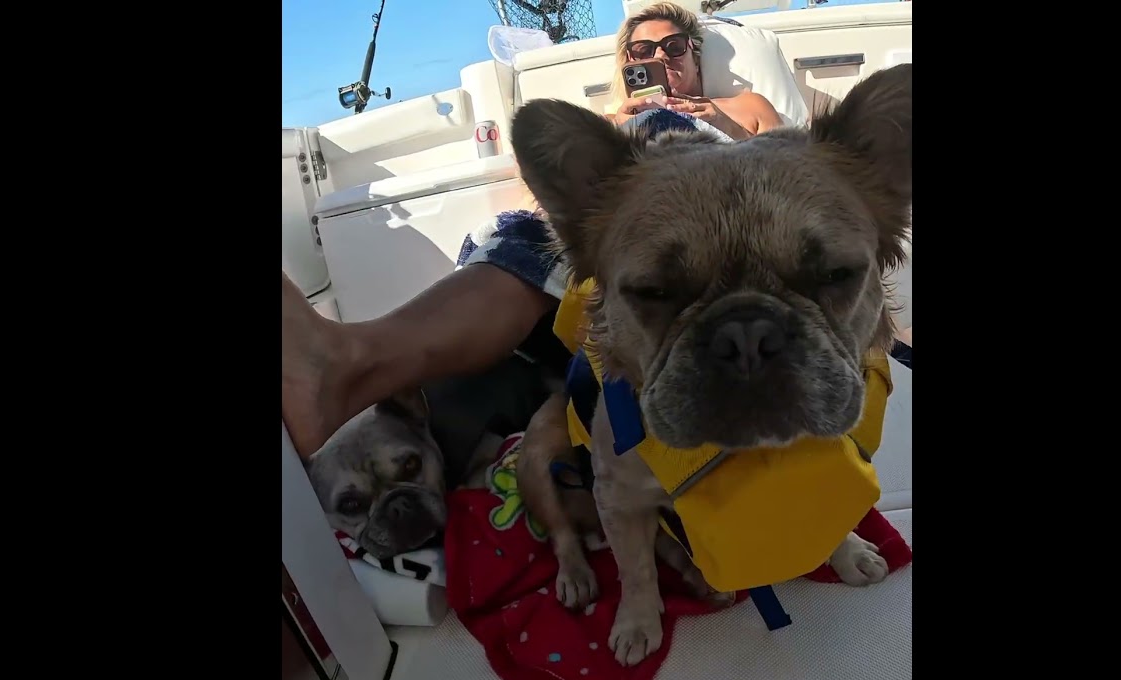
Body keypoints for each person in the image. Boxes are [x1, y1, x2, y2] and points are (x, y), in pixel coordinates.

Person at [281, 5, 908, 460]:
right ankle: (355, 365)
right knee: (530, 240)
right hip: (617, 217)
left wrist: (711, 114)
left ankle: (368, 369)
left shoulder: (743, 106)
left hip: (718, 166)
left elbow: (780, 153)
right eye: (641, 53)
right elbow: (550, 202)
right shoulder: (610, 133)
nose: (659, 61)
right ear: (622, 67)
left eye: (674, 50)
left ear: (697, 59)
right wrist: (622, 142)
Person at [607, 2, 784, 139]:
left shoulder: (750, 110)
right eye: (644, 51)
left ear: (696, 58)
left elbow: (787, 172)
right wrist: (620, 138)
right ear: (630, 62)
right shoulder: (608, 127)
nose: (660, 56)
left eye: (674, 46)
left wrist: (729, 128)